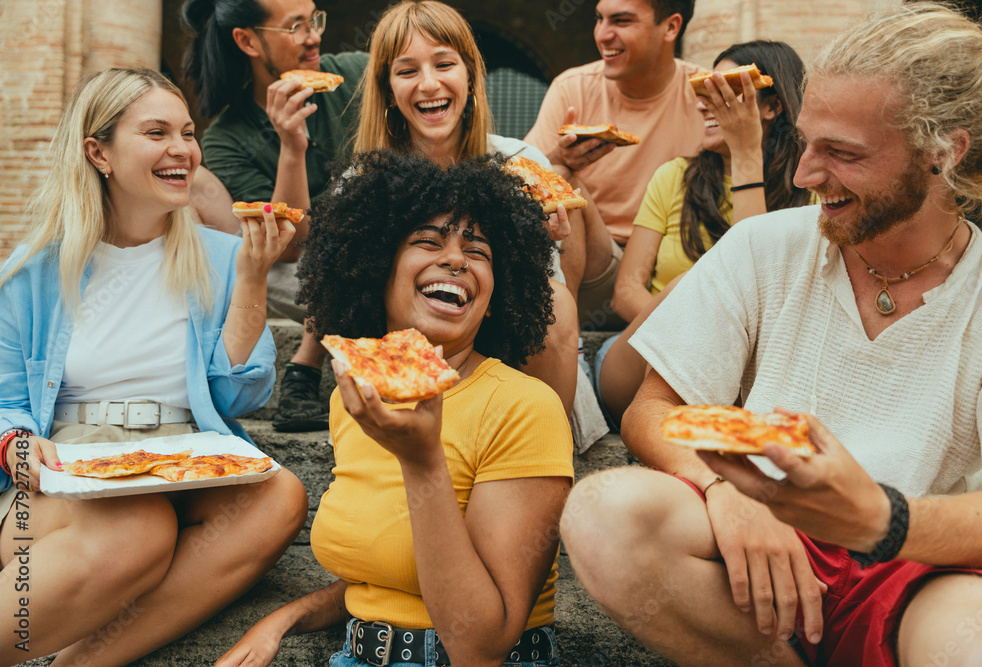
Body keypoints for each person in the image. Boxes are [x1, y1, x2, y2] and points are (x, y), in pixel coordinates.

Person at [560, 3, 982, 665]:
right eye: (806, 141)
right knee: (601, 512)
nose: (802, 175)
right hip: (767, 540)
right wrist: (726, 487)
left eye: (842, 153)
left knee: (977, 642)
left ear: (943, 153)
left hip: (923, 566)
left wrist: (881, 518)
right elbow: (652, 409)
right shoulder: (766, 244)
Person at [0, 68, 308, 666]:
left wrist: (249, 279)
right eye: (157, 132)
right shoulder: (34, 270)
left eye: (188, 133)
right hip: (68, 462)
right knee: (138, 527)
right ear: (99, 153)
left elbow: (240, 397)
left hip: (184, 453)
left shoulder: (224, 256)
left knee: (280, 497)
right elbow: (3, 397)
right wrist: (14, 443)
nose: (182, 150)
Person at [218, 150, 574, 667]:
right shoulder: (352, 398)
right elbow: (391, 574)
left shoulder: (523, 407)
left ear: (496, 296)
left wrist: (421, 459)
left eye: (478, 251)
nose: (456, 259)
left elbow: (480, 645)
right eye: (428, 241)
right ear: (377, 269)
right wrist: (285, 618)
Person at [346, 0, 607, 448]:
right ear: (388, 89)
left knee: (557, 301)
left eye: (444, 63)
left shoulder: (523, 164)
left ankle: (538, 446)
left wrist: (533, 250)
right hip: (402, 345)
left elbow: (544, 302)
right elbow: (349, 298)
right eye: (407, 71)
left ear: (469, 75)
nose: (429, 84)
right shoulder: (362, 179)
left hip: (504, 337)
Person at [597, 40, 812, 426]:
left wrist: (747, 154)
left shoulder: (811, 192)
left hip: (750, 370)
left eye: (724, 90)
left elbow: (760, 297)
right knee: (690, 286)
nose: (702, 103)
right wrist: (696, 317)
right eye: (701, 91)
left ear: (772, 105)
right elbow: (626, 289)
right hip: (639, 355)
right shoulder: (674, 176)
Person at [182, 0, 369, 432]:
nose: (314, 36)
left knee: (361, 182)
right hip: (295, 273)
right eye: (296, 26)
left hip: (381, 250)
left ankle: (304, 364)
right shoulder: (229, 139)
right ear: (247, 40)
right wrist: (291, 145)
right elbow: (291, 247)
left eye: (315, 19)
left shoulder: (357, 75)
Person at [525, 0, 703, 325]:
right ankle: (566, 333)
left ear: (671, 27)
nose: (603, 34)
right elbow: (521, 178)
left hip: (677, 264)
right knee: (560, 176)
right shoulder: (572, 87)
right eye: (599, 19)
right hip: (599, 263)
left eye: (621, 21)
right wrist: (559, 158)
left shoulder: (704, 94)